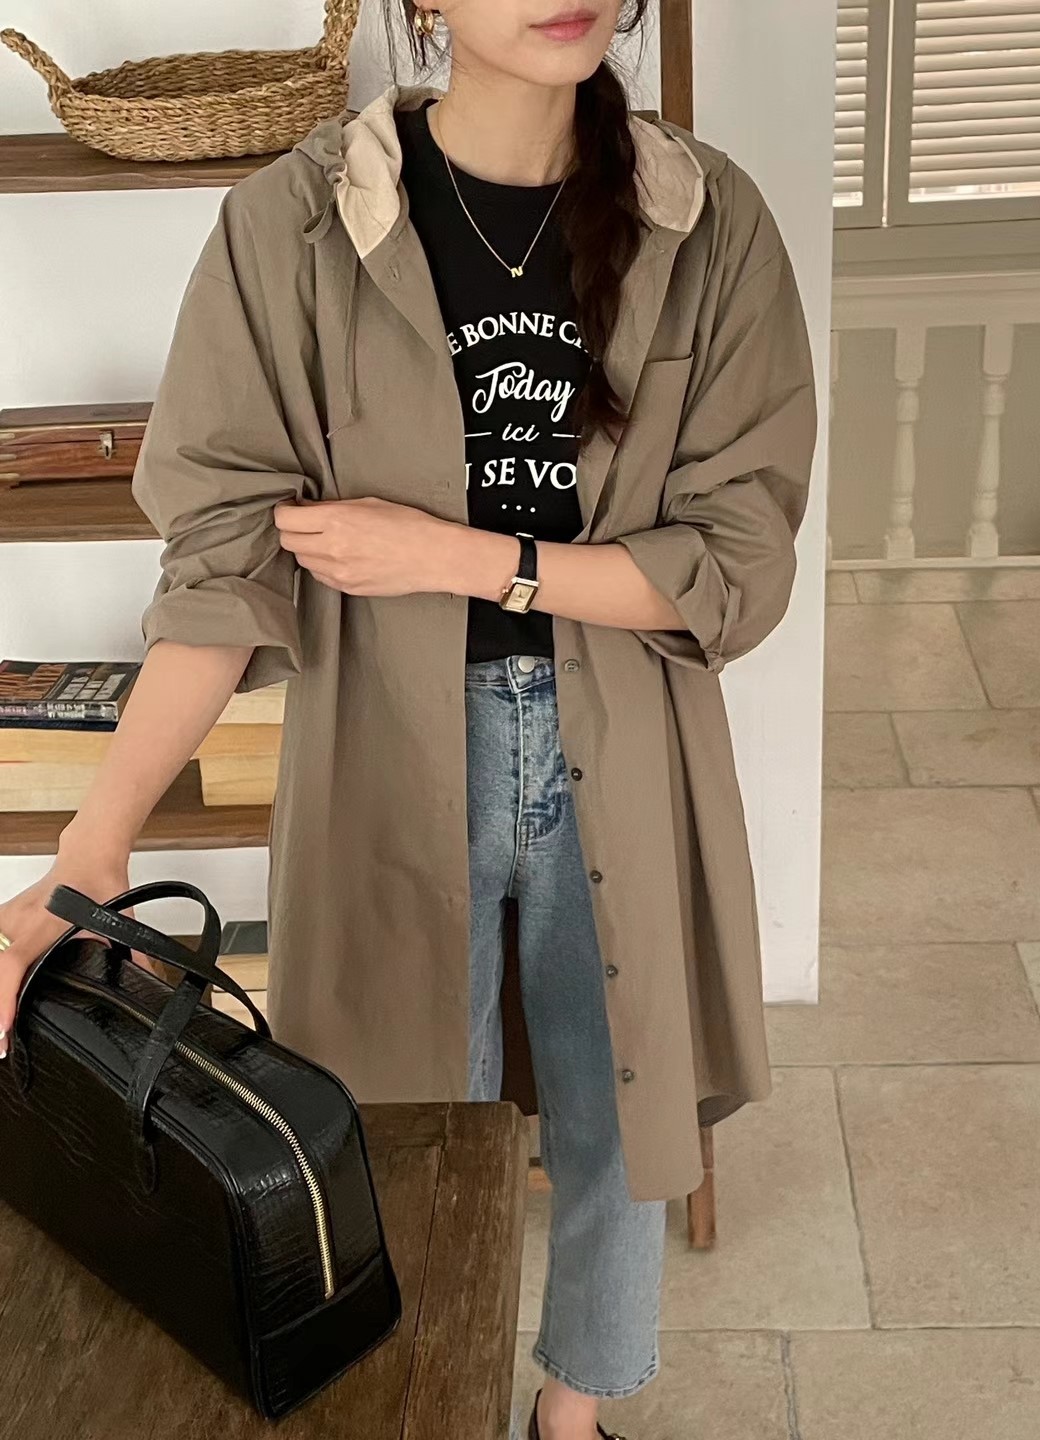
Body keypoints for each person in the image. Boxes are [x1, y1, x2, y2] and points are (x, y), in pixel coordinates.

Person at [0, 2, 818, 1436]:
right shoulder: (293, 225)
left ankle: (574, 1419)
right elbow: (221, 569)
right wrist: (95, 844)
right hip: (385, 745)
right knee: (397, 1118)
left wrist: (462, 557)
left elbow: (736, 565)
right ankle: (430, 1401)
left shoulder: (708, 221)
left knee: (621, 1106)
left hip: (626, 739)